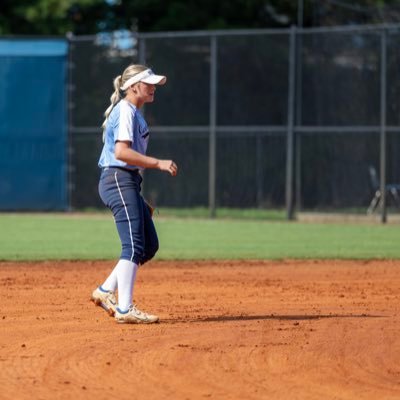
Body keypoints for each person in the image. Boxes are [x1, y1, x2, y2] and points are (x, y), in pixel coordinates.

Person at [91, 64, 178, 324]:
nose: (153, 87)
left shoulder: (135, 113)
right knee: (133, 245)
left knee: (148, 245)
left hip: (127, 182)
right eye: (148, 83)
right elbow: (121, 153)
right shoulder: (126, 111)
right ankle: (125, 309)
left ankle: (105, 291)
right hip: (117, 179)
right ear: (133, 87)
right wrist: (158, 163)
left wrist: (137, 198)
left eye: (154, 83)